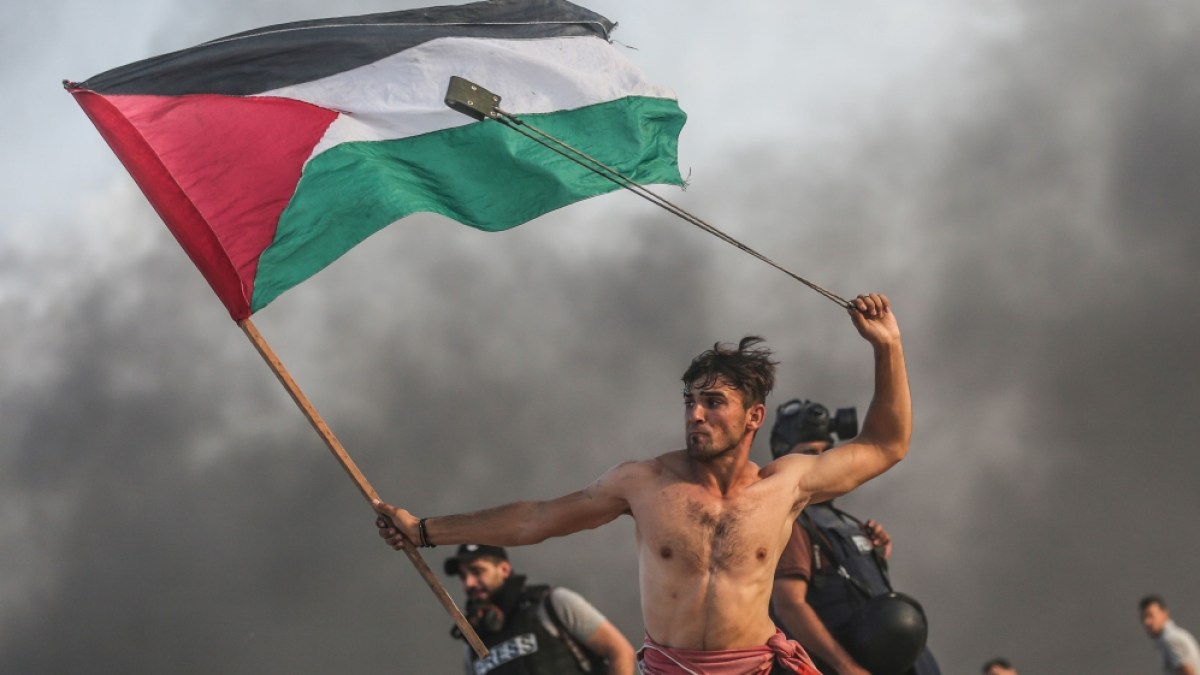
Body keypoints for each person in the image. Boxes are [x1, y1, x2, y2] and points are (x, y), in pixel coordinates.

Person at [375, 293, 909, 675]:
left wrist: (888, 347)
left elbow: (886, 444)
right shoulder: (645, 482)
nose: (695, 415)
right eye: (689, 402)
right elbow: (537, 519)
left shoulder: (785, 484)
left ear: (753, 416)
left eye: (713, 402)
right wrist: (423, 530)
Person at [768, 399, 941, 675]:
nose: (821, 462)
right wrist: (846, 667)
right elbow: (789, 605)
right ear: (783, 458)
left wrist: (875, 553)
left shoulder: (840, 519)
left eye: (826, 452)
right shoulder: (791, 521)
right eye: (810, 453)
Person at [440, 543, 636, 675]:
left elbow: (620, 653)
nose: (469, 583)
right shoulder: (472, 644)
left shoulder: (553, 604)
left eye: (477, 571)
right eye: (463, 576)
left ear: (504, 569)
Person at [1140, 594, 1200, 675]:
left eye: (1151, 615)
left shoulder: (1170, 639)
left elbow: (1188, 671)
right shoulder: (1173, 635)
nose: (1147, 622)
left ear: (1165, 614)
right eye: (1143, 617)